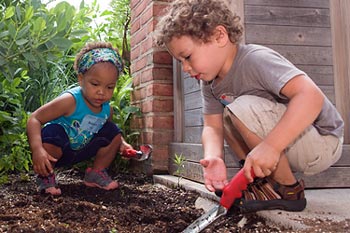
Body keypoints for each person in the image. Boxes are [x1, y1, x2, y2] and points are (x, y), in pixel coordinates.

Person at [154, 0, 344, 212]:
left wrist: (270, 147)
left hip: (322, 139)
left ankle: (289, 191)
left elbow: (311, 97)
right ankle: (261, 184)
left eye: (187, 57)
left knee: (240, 109)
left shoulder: (255, 60)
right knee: (227, 116)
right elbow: (212, 126)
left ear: (219, 36)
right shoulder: (209, 82)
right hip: (290, 144)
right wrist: (214, 157)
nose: (186, 68)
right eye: (181, 62)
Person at [27, 41, 133, 195]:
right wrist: (37, 150)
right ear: (81, 78)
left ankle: (95, 174)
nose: (101, 92)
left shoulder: (106, 108)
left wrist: (122, 144)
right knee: (53, 131)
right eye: (95, 84)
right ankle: (45, 176)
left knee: (113, 130)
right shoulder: (70, 101)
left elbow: (110, 134)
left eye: (109, 87)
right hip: (55, 151)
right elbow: (34, 118)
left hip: (80, 150)